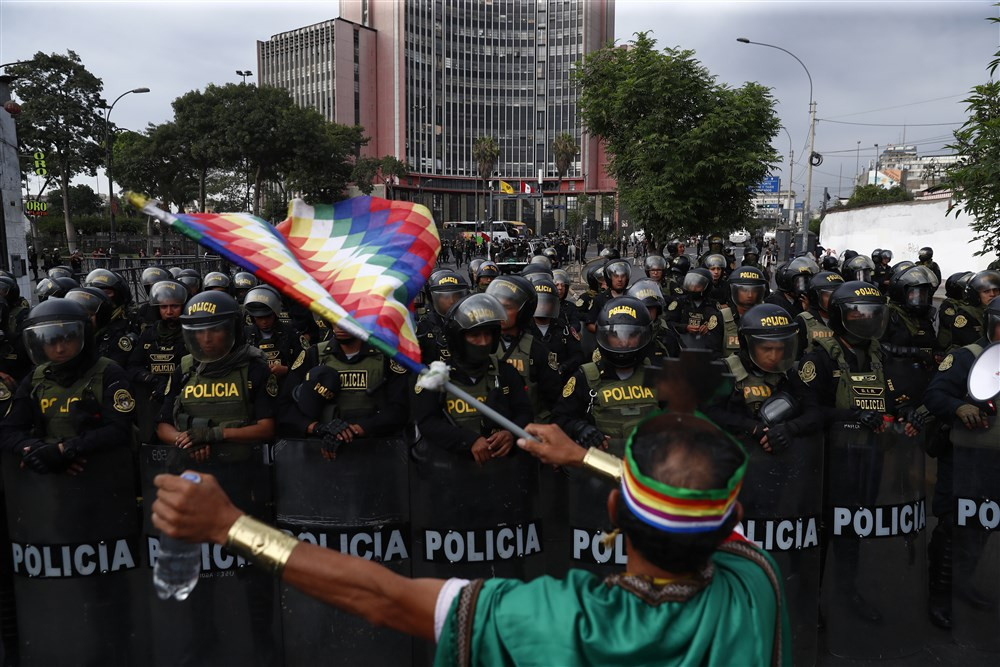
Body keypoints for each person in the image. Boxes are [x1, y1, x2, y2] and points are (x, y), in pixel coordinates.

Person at [150, 411, 788, 666]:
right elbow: (699, 506)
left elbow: (383, 597)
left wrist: (229, 527)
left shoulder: (552, 618)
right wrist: (582, 458)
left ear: (615, 512)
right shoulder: (757, 581)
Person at [922, 296, 1000, 629]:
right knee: (954, 525)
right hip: (965, 457)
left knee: (982, 527)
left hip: (995, 459)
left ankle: (963, 586)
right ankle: (939, 596)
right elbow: (935, 395)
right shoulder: (966, 357)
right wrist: (959, 407)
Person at [155, 291, 277, 457]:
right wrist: (187, 441)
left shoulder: (254, 368)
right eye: (199, 331)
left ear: (232, 330)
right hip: (190, 467)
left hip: (242, 464)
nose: (206, 339)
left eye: (215, 330)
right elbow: (163, 426)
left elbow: (267, 429)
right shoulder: (185, 369)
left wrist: (215, 434)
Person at [412, 293, 531, 463]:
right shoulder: (436, 376)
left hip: (500, 470)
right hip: (450, 472)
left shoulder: (505, 372)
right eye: (475, 335)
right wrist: (469, 441)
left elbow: (525, 412)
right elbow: (427, 422)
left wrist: (511, 434)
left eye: (487, 334)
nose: (483, 342)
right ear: (458, 339)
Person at [278, 321, 410, 444]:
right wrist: (318, 428)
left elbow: (400, 408)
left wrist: (356, 429)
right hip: (320, 449)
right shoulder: (313, 355)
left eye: (347, 319)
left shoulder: (387, 356)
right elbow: (285, 408)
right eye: (335, 318)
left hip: (376, 446)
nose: (340, 325)